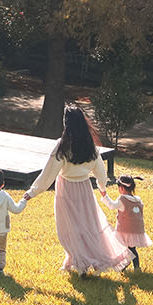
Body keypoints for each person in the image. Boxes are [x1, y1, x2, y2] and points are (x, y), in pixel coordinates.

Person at [25, 103, 132, 275]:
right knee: (87, 224)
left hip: (66, 189)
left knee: (69, 228)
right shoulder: (90, 145)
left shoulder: (63, 145)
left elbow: (48, 174)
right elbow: (100, 172)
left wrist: (31, 192)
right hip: (84, 188)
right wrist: (102, 188)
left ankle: (81, 262)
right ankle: (77, 259)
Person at [100, 174, 152, 270]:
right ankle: (136, 267)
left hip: (125, 230)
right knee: (132, 249)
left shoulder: (122, 199)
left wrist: (104, 196)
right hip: (137, 230)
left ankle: (123, 266)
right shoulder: (138, 200)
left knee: (122, 248)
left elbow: (112, 206)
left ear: (121, 188)